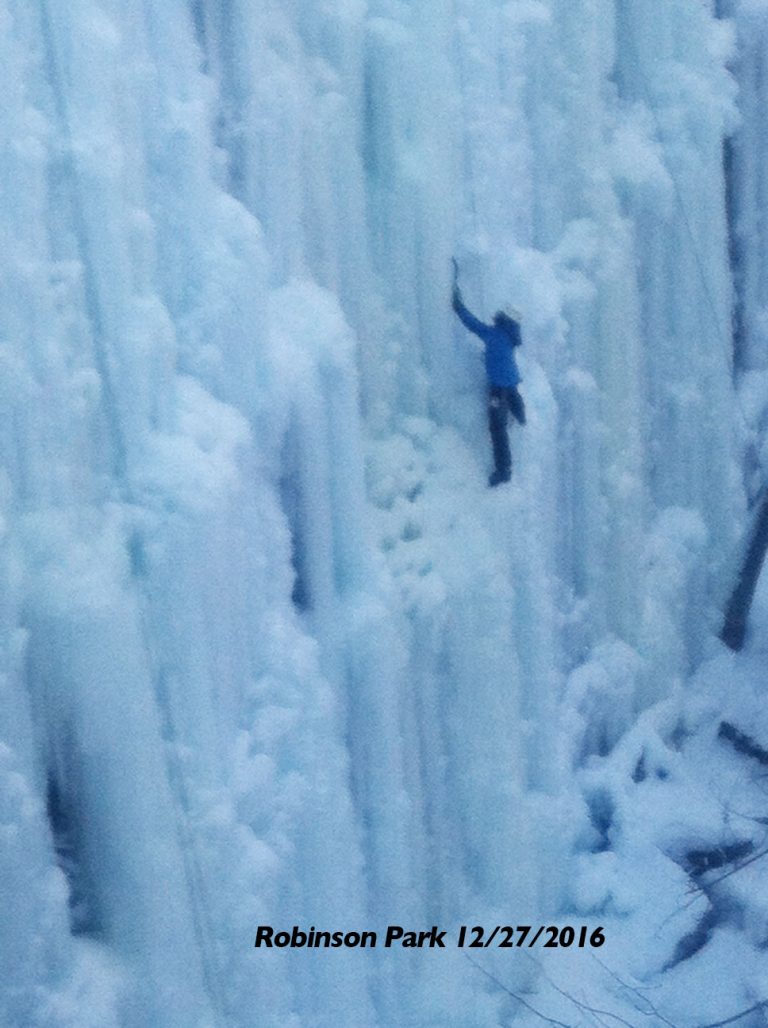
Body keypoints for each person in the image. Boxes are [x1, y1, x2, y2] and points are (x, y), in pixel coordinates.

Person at [452, 285, 526, 486]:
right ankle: (520, 415)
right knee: (514, 400)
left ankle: (503, 470)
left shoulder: (494, 334)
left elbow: (473, 324)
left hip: (499, 388)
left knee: (497, 428)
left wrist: (459, 307)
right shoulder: (511, 335)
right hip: (511, 384)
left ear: (503, 318)